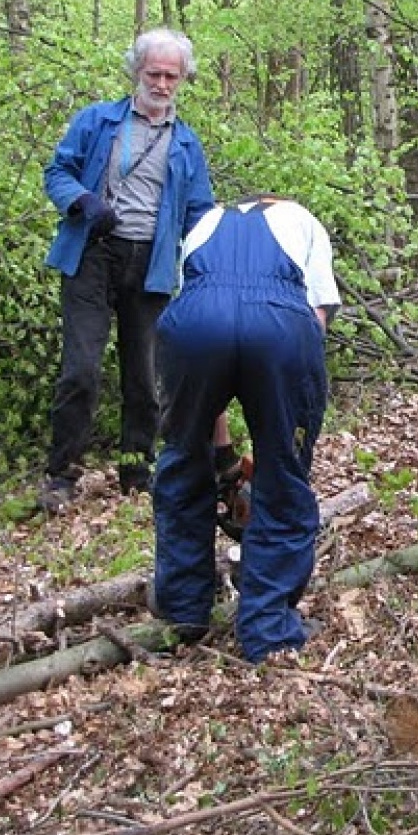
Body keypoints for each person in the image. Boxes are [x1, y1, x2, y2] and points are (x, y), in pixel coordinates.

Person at [151, 194, 339, 662]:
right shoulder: (304, 220)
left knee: (182, 460)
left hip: (193, 326)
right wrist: (287, 420)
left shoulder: (205, 223)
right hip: (280, 324)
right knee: (283, 474)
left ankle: (183, 610)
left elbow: (203, 317)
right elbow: (315, 317)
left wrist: (218, 448)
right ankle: (267, 628)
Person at [38, 28, 216, 511]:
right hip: (91, 254)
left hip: (152, 264)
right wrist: (82, 201)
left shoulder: (186, 144)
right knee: (81, 369)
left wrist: (206, 268)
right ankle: (61, 475)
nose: (161, 84)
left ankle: (137, 472)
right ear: (136, 72)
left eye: (171, 77)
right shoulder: (97, 121)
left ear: (182, 80)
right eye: (154, 73)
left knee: (144, 375)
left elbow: (200, 211)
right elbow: (57, 172)